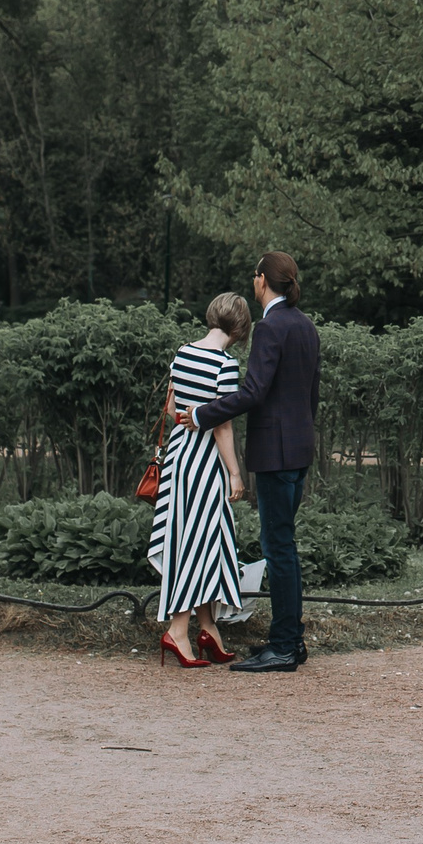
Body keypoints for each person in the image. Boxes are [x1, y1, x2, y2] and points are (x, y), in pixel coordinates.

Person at [185, 251, 320, 673]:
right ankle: (290, 641)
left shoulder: (269, 327)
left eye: (254, 275)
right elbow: (311, 394)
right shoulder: (306, 326)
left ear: (262, 281)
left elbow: (253, 392)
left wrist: (202, 414)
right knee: (285, 546)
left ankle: (283, 647)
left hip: (276, 455)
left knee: (277, 549)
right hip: (298, 450)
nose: (253, 281)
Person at [148, 292, 249, 668]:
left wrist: (190, 416)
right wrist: (235, 473)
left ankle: (208, 629)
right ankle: (177, 631)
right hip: (205, 462)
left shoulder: (183, 353)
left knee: (198, 539)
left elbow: (172, 409)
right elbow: (222, 426)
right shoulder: (225, 365)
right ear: (240, 328)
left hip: (179, 456)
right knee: (200, 542)